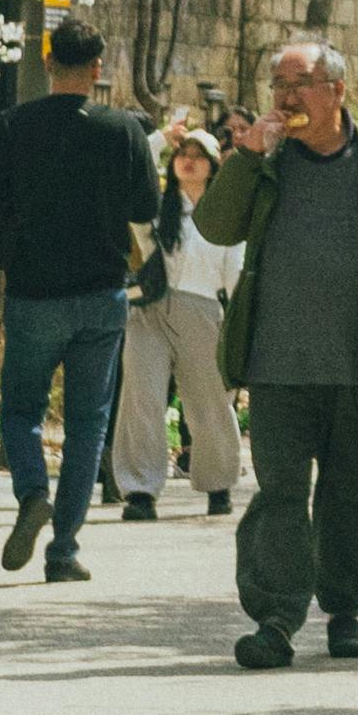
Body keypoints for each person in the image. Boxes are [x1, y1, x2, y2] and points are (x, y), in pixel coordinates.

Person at [193, 35, 358, 671]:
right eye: (278, 85)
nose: (286, 97)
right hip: (275, 364)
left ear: (336, 91)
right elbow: (215, 227)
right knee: (279, 493)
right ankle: (276, 620)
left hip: (357, 364)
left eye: (298, 83)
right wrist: (247, 156)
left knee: (350, 494)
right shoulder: (268, 161)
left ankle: (345, 609)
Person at [0, 16, 160, 585]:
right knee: (87, 425)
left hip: (34, 292)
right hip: (101, 293)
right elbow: (146, 205)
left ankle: (31, 493)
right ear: (98, 69)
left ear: (47, 62)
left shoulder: (13, 126)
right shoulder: (122, 130)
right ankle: (64, 551)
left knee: (21, 410)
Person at [111, 118, 246, 523]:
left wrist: (241, 325)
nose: (188, 161)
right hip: (148, 310)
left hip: (203, 309)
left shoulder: (226, 215)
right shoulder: (155, 208)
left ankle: (218, 483)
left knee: (210, 401)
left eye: (198, 156)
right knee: (141, 398)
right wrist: (160, 138)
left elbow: (236, 276)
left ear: (213, 166)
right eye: (182, 154)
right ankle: (139, 491)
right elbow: (127, 175)